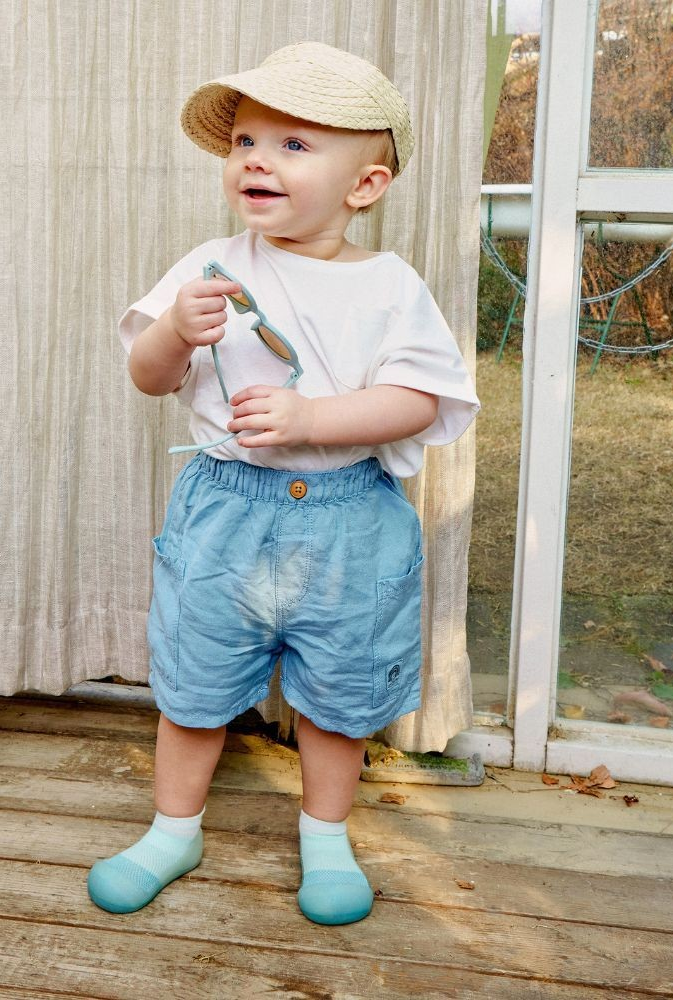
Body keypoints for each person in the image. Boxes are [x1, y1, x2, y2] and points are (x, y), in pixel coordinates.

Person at [88, 41, 480, 926]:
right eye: (245, 142)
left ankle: (326, 838)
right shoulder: (211, 267)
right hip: (225, 513)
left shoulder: (389, 286)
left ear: (365, 185)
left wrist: (310, 421)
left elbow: (420, 399)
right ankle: (172, 828)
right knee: (193, 685)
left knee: (340, 695)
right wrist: (175, 335)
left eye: (294, 145)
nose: (256, 159)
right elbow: (148, 380)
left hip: (349, 521)